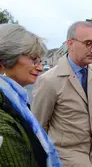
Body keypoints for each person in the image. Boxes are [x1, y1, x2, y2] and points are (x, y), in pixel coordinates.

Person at [31, 21, 92, 167]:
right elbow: (38, 126)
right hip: (63, 158)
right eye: (88, 43)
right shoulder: (49, 80)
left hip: (91, 153)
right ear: (70, 43)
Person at [0, 24, 61, 167]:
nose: (40, 68)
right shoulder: (4, 119)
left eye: (40, 61)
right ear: (5, 58)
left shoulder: (13, 100)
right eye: (34, 59)